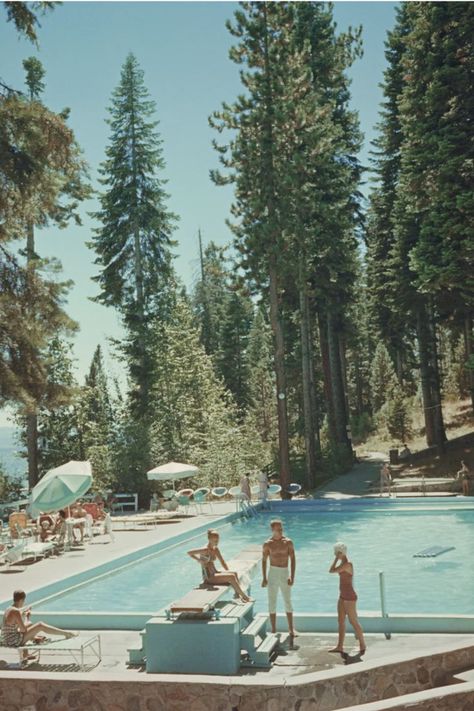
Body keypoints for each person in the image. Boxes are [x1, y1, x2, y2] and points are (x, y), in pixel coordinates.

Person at [0, 590, 77, 660]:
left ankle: (26, 653)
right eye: (23, 601)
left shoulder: (9, 608)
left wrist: (24, 616)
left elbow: (16, 626)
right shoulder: (16, 611)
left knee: (30, 625)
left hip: (7, 638)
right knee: (40, 625)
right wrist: (27, 617)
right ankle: (67, 634)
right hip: (12, 640)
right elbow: (23, 630)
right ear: (21, 600)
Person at [187, 529, 252, 602]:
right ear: (209, 539)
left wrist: (228, 571)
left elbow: (222, 562)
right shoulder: (205, 550)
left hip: (215, 573)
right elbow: (189, 553)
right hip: (209, 578)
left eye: (218, 540)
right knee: (231, 577)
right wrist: (199, 560)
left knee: (234, 574)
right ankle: (245, 597)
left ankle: (237, 596)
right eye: (215, 541)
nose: (217, 542)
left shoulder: (215, 549)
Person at [329, 543, 366, 656]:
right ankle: (340, 646)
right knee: (340, 621)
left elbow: (332, 571)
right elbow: (332, 570)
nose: (335, 555)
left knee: (353, 621)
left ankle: (362, 644)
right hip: (342, 596)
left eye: (336, 553)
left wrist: (336, 559)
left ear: (341, 553)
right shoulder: (342, 564)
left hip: (350, 597)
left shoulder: (348, 565)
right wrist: (337, 559)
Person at [262, 519, 296, 638]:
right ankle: (273, 629)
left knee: (287, 601)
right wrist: (264, 578)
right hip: (273, 572)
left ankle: (291, 629)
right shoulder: (268, 543)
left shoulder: (288, 542)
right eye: (278, 529)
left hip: (284, 572)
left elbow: (293, 559)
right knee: (272, 601)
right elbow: (264, 561)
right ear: (272, 530)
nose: (281, 531)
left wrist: (292, 576)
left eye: (281, 528)